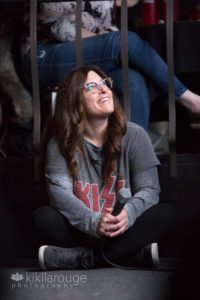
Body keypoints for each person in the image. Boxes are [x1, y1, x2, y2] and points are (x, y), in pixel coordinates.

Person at [33, 65, 175, 270]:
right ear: (74, 100)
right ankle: (127, 257)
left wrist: (129, 214)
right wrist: (93, 222)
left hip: (124, 229)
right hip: (83, 229)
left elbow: (150, 189)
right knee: (44, 217)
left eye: (105, 83)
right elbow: (59, 194)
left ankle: (85, 259)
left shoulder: (135, 135)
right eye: (92, 86)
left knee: (165, 214)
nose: (104, 89)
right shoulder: (60, 142)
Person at [20, 0, 200, 130]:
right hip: (44, 57)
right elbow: (58, 27)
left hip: (94, 56)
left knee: (133, 80)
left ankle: (128, 164)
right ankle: (190, 101)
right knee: (126, 42)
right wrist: (111, 44)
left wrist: (110, 43)